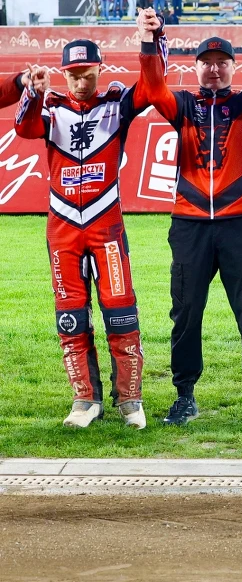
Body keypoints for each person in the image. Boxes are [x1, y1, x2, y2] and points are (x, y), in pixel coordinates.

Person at [136, 6, 242, 427]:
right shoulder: (183, 105)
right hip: (189, 224)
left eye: (221, 63)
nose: (213, 70)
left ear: (232, 67)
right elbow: (153, 88)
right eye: (206, 64)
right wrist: (148, 40)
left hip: (239, 222)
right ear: (196, 69)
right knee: (186, 313)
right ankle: (185, 396)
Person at [13, 42, 161, 429]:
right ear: (64, 74)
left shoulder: (116, 103)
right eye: (74, 74)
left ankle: (130, 398)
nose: (81, 81)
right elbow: (24, 128)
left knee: (121, 313)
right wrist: (33, 91)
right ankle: (84, 399)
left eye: (88, 73)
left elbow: (152, 86)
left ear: (101, 68)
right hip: (61, 228)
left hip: (106, 226)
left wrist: (150, 41)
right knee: (70, 319)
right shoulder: (52, 106)